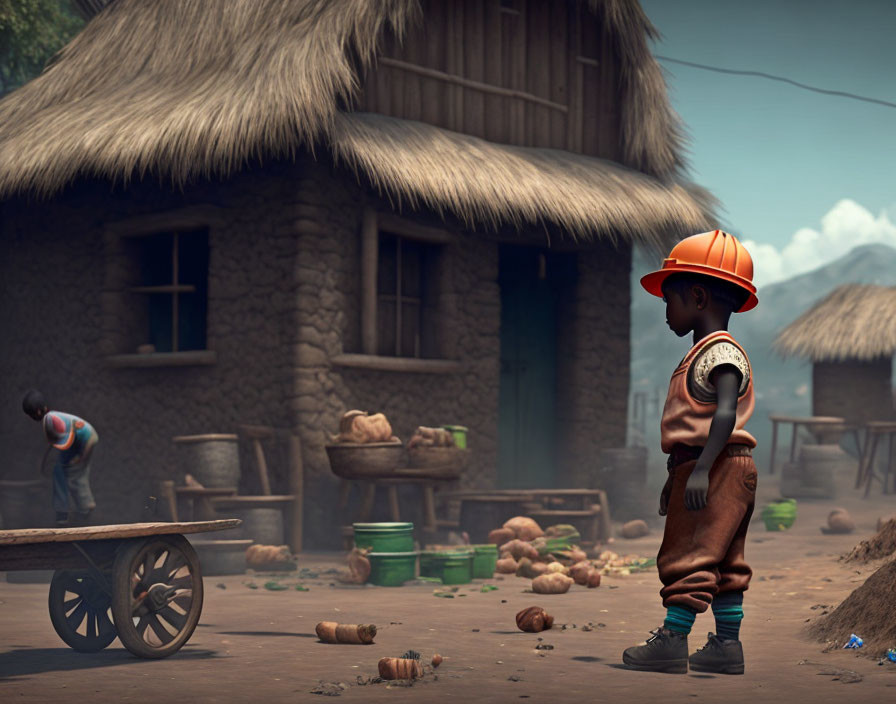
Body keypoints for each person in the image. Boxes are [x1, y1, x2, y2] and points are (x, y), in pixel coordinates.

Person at [622, 230, 759, 675]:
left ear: (698, 296)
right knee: (725, 558)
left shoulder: (720, 352)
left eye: (670, 299)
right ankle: (726, 646)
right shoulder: (701, 353)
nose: (665, 311)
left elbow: (722, 416)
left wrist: (699, 470)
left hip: (716, 466)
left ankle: (673, 639)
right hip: (720, 467)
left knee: (690, 551)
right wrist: (674, 476)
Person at [22, 389, 98, 527]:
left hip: (84, 442)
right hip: (83, 440)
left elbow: (67, 439)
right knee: (64, 472)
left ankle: (81, 509)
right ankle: (74, 510)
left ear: (38, 412)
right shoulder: (51, 418)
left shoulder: (50, 418)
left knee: (73, 473)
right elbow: (56, 441)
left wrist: (79, 458)